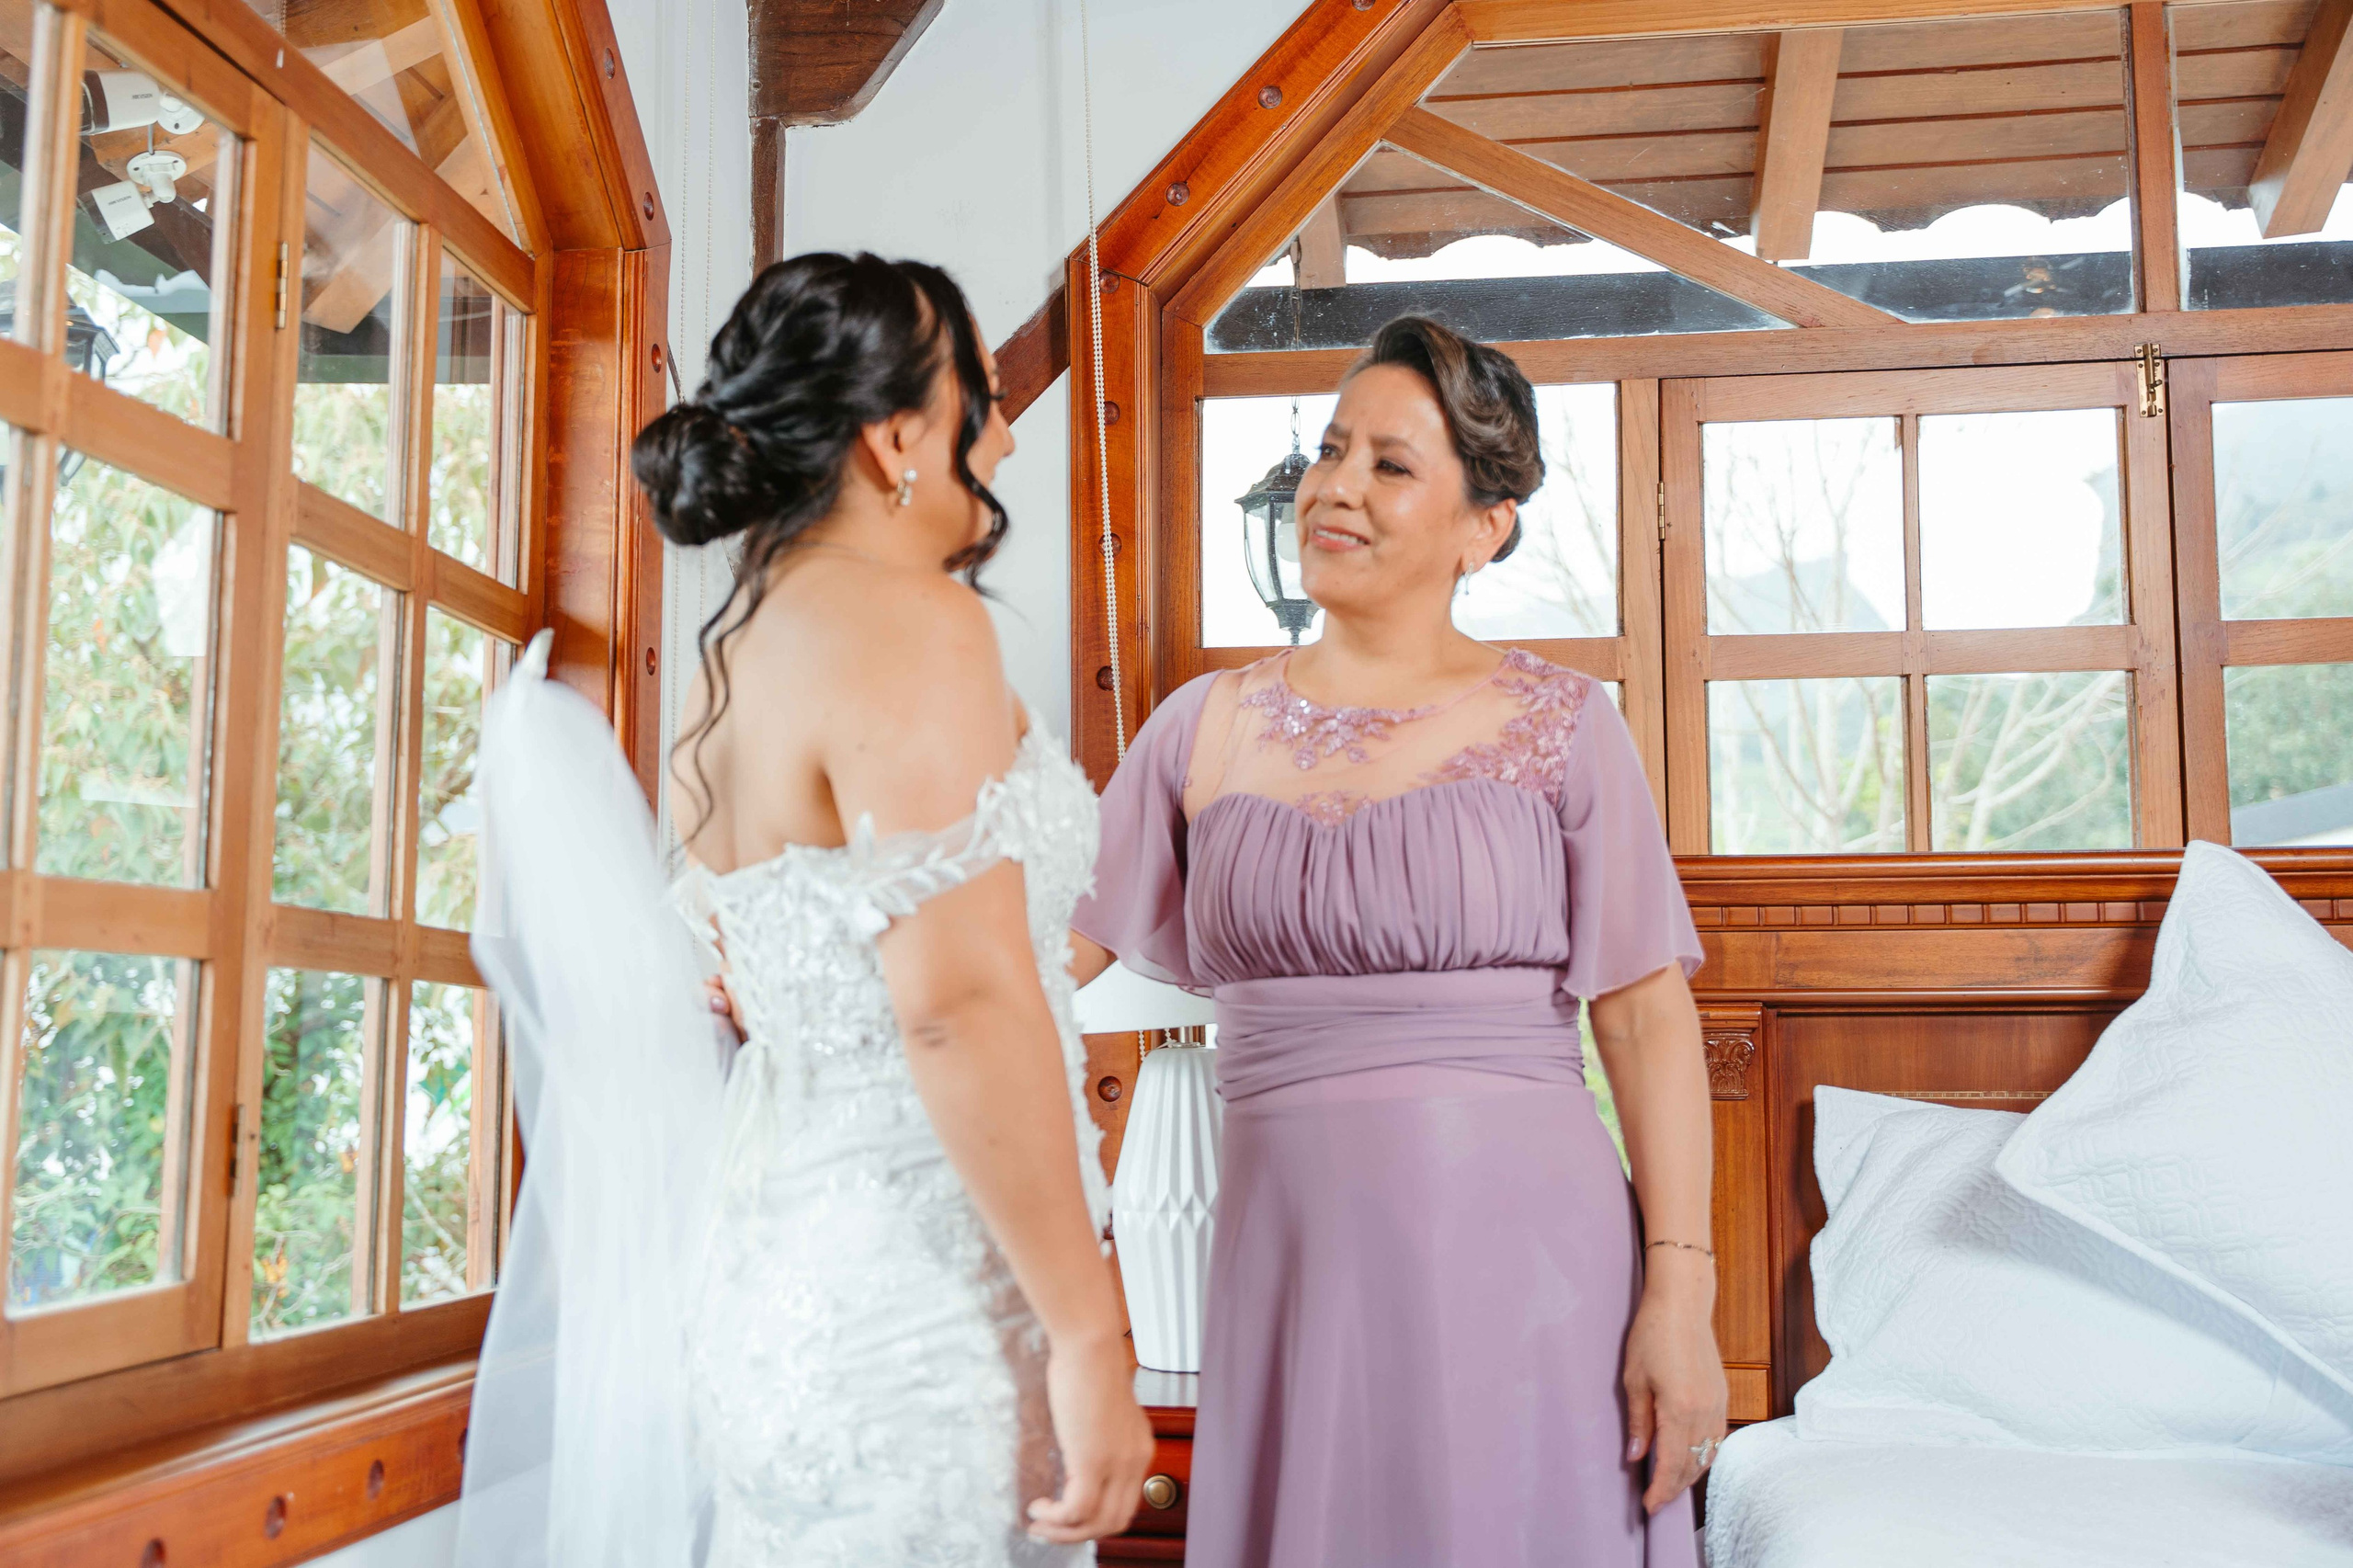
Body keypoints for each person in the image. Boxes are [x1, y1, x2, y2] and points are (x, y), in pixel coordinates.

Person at [469, 252, 1150, 1568]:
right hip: (920, 1310)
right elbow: (954, 1006)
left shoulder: (739, 653)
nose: (1005, 436)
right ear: (898, 438)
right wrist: (1087, 1331)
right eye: (982, 401)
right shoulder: (918, 625)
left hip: (778, 1292)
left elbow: (788, 980)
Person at [1069, 316, 1725, 1566]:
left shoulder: (1566, 725)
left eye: (1390, 463)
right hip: (1291, 1275)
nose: (1335, 486)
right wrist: (820, 985)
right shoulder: (1198, 728)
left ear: (1486, 528)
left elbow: (1644, 1019)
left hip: (1533, 1261)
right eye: (1330, 449)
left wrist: (1679, 1294)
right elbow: (1032, 958)